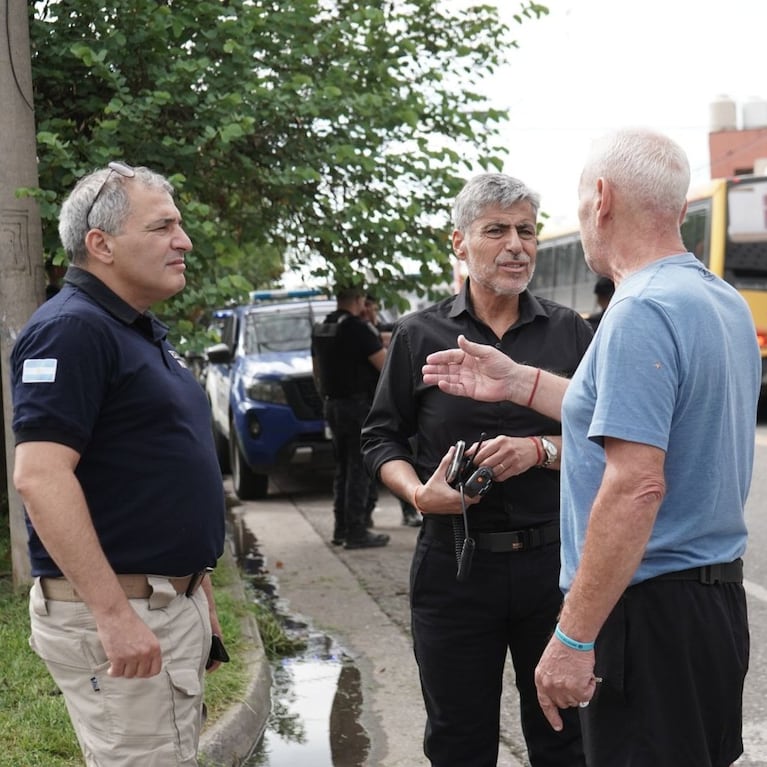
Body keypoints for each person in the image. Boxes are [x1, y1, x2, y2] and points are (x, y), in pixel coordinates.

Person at [421, 129, 760, 767]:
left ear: (601, 199)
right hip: (711, 610)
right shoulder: (717, 299)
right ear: (678, 208)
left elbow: (636, 484)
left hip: (648, 616)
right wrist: (519, 381)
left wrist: (572, 639)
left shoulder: (640, 311)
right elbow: (640, 411)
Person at [362, 173, 592, 766]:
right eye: (498, 231)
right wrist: (418, 494)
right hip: (454, 566)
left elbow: (610, 439)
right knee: (459, 741)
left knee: (565, 737)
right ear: (459, 243)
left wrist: (540, 450)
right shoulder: (418, 334)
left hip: (554, 567)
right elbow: (379, 439)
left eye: (527, 231)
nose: (517, 245)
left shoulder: (571, 332)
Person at [10, 162, 227, 767]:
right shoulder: (71, 332)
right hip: (124, 611)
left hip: (163, 602)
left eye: (179, 226)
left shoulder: (133, 330)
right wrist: (113, 615)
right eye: (163, 227)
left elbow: (150, 472)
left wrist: (197, 587)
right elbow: (40, 476)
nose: (183, 242)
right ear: (100, 244)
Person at [312, 285, 390, 549]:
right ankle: (356, 531)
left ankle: (340, 528)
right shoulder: (357, 328)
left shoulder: (322, 327)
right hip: (358, 406)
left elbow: (316, 372)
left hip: (332, 405)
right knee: (359, 468)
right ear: (358, 300)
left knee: (342, 467)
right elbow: (385, 367)